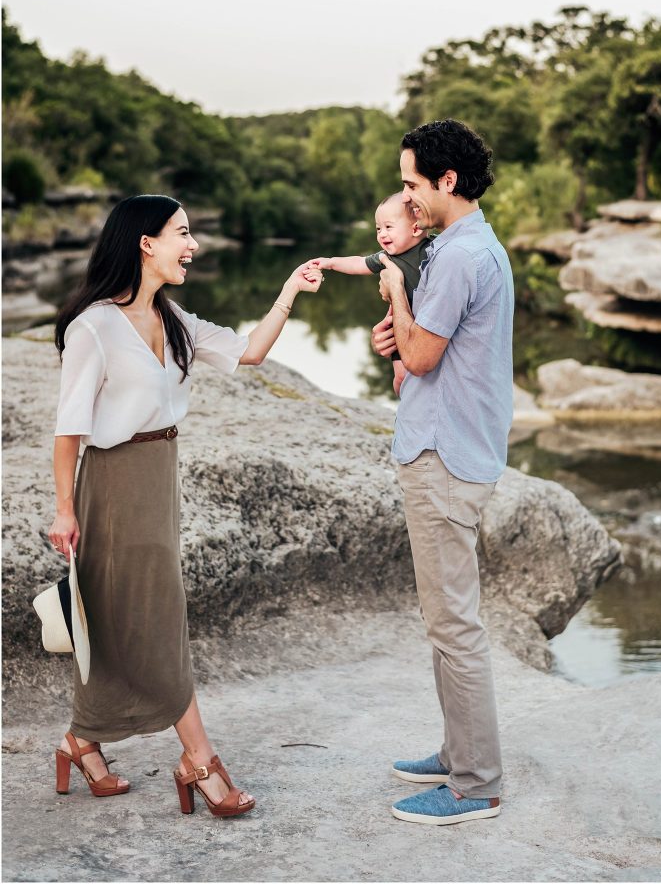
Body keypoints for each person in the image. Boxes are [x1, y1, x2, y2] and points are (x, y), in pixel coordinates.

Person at [48, 194, 322, 818]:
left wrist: (289, 293)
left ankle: (80, 741)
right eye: (182, 233)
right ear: (146, 243)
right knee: (156, 615)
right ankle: (198, 758)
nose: (192, 245)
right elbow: (69, 431)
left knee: (125, 614)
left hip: (159, 474)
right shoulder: (93, 325)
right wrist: (65, 510)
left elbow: (249, 351)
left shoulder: (174, 320)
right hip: (113, 483)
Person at [371, 119, 514, 827]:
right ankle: (460, 751)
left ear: (446, 181)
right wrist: (394, 338)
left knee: (454, 625)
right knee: (445, 622)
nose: (407, 198)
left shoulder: (458, 257)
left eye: (410, 184)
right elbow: (421, 358)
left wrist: (396, 293)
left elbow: (424, 357)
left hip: (445, 459)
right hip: (450, 447)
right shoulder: (469, 246)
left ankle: (475, 784)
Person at [304, 193, 429, 394]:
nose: (381, 234)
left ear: (415, 228)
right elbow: (358, 263)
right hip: (401, 329)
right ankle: (405, 405)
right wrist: (330, 262)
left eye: (388, 227)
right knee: (401, 376)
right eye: (378, 228)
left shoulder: (434, 249)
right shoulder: (387, 257)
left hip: (427, 326)